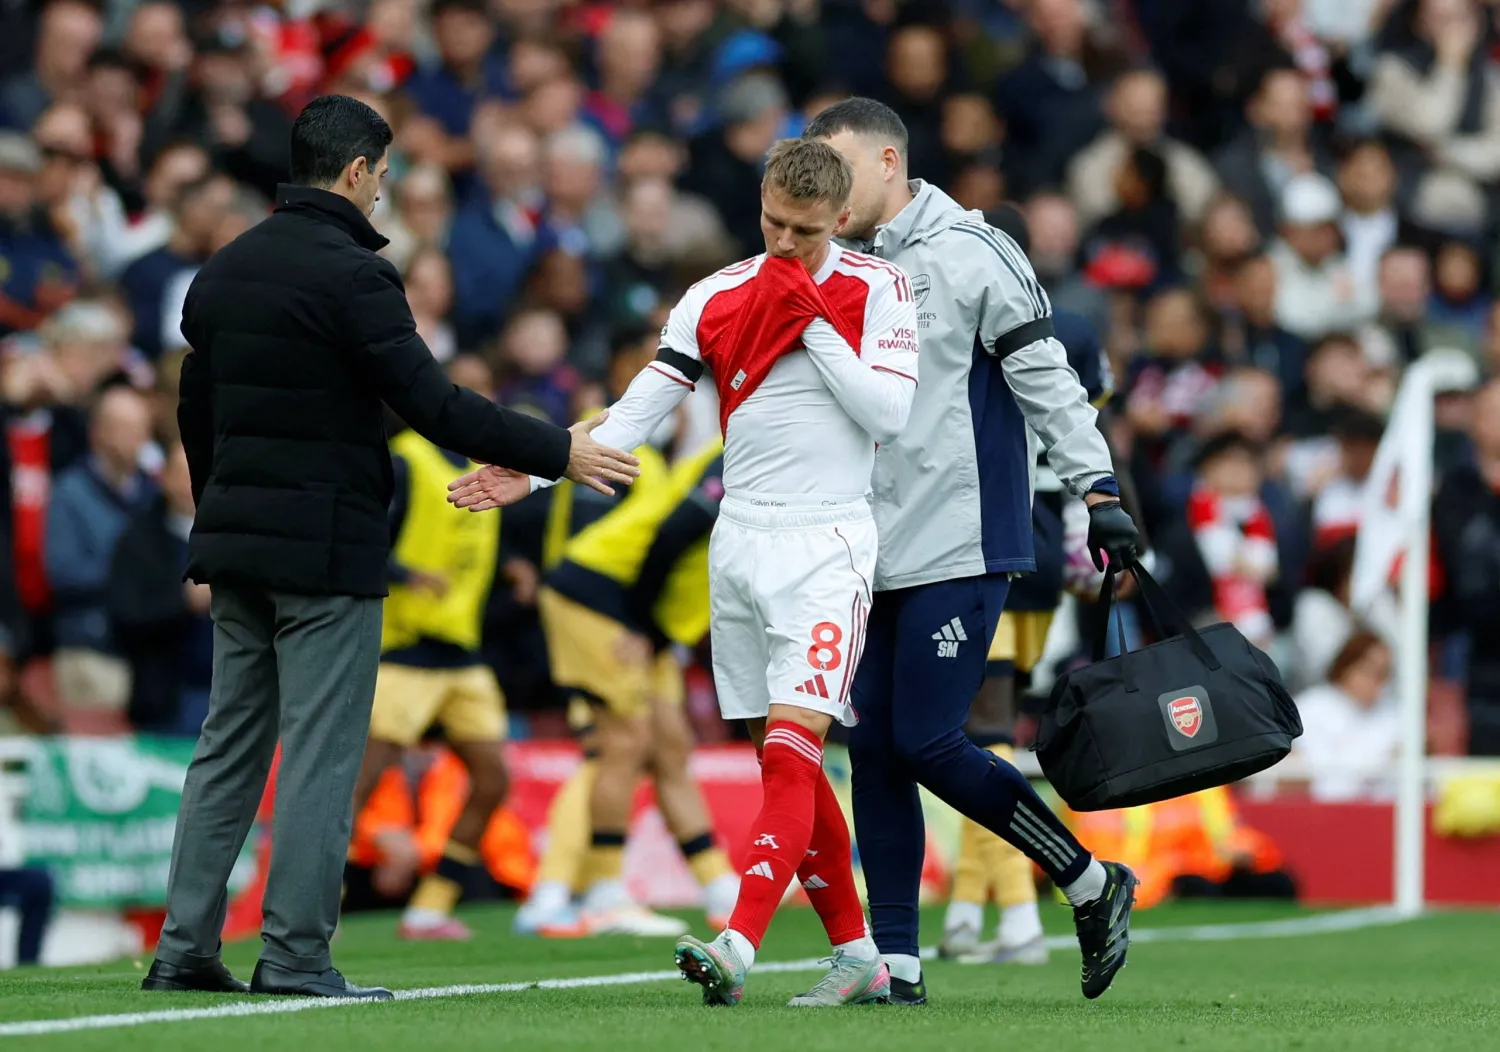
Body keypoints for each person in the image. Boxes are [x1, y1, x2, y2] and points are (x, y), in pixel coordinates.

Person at [142, 94, 638, 1001]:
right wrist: (556, 449)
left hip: (238, 546)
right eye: (384, 174)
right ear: (361, 171)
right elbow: (435, 406)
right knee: (324, 753)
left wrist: (224, 510)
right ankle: (292, 954)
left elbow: (193, 411)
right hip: (326, 552)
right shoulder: (354, 275)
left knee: (228, 747)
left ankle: (183, 949)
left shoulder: (221, 272)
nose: (384, 193)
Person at [450, 138, 920, 1007]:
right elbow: (641, 407)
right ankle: (858, 952)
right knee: (780, 757)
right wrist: (543, 463)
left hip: (828, 541)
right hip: (739, 542)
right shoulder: (713, 295)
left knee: (794, 746)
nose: (784, 244)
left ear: (841, 221)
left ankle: (739, 940)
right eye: (774, 224)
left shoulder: (877, 288)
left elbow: (889, 410)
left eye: (805, 232)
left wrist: (808, 312)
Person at [806, 97, 1141, 1003]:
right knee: (872, 750)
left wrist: (1100, 494)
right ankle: (897, 967)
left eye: (839, 173)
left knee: (926, 738)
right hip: (865, 545)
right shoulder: (833, 261)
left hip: (962, 539)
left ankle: (1086, 878)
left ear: (887, 160)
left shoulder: (976, 251)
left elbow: (1050, 385)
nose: (828, 195)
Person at [517, 332, 735, 938]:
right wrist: (645, 628)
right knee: (623, 743)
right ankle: (600, 892)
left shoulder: (686, 458)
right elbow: (666, 545)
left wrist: (656, 631)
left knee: (669, 745)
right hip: (600, 599)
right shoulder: (729, 456)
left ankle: (720, 886)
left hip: (640, 613)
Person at [346, 356, 516, 943]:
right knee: (357, 786)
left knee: (493, 779)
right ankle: (316, 910)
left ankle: (429, 908)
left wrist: (517, 572)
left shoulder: (492, 469)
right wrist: (406, 574)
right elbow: (359, 534)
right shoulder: (407, 460)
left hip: (461, 654)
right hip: (405, 650)